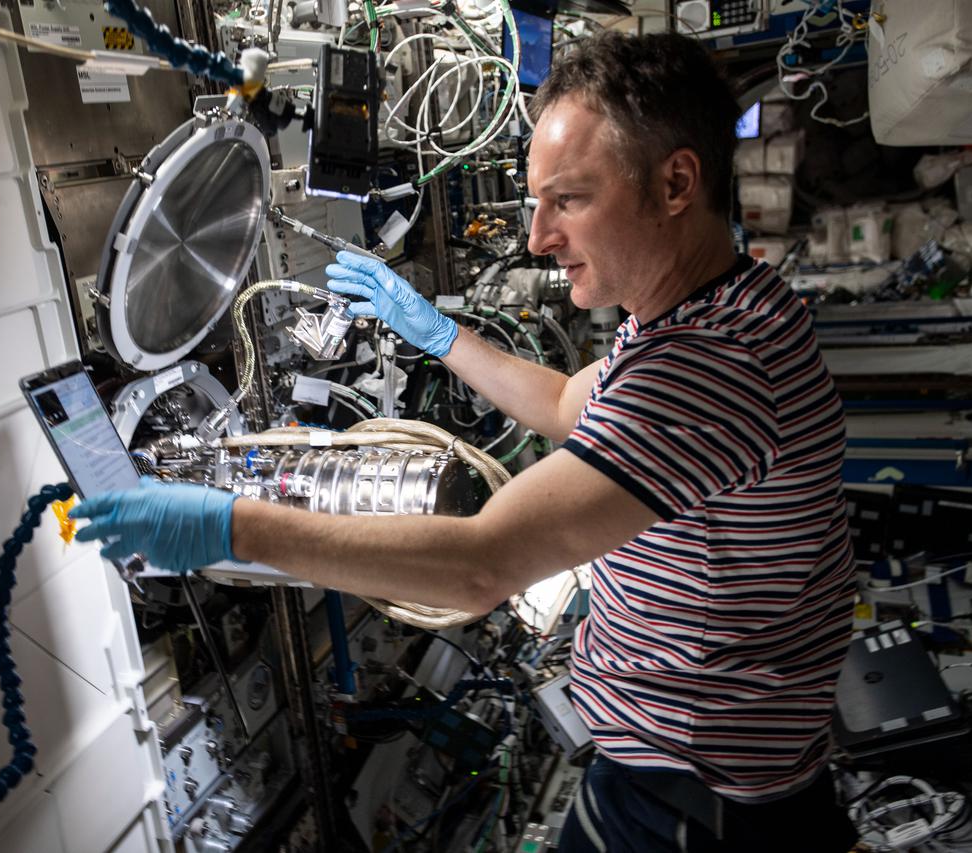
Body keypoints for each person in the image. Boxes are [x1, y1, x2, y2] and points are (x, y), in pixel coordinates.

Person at [71, 31, 857, 852]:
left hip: (691, 802)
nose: (537, 238)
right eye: (535, 203)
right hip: (698, 772)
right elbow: (564, 400)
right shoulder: (718, 309)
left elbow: (480, 565)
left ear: (675, 183)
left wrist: (229, 526)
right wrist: (437, 333)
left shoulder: (704, 368)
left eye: (570, 200)